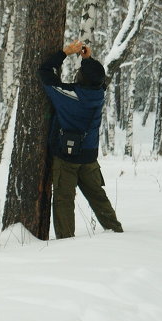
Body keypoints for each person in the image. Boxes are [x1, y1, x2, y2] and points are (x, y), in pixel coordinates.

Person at [38, 40, 124, 239]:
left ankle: (66, 240)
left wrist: (65, 53)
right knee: (97, 196)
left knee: (63, 200)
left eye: (80, 73)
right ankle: (116, 231)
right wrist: (88, 59)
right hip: (89, 156)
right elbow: (98, 79)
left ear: (82, 79)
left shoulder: (69, 95)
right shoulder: (99, 94)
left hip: (66, 157)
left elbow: (44, 71)